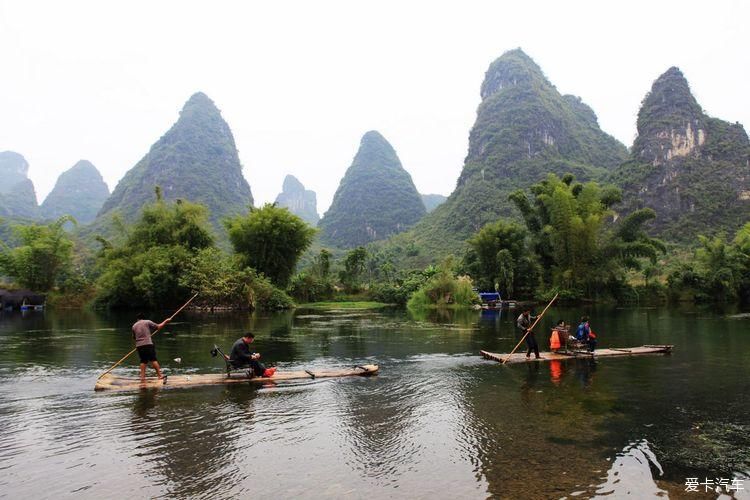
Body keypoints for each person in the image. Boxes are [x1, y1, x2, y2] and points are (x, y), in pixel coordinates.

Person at [132, 313, 169, 382]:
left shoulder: (134, 326)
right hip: (148, 344)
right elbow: (158, 327)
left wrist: (138, 344)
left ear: (138, 319)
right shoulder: (147, 322)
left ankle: (142, 378)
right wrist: (166, 321)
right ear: (144, 318)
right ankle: (160, 376)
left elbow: (134, 338)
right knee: (153, 359)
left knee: (143, 361)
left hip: (139, 345)